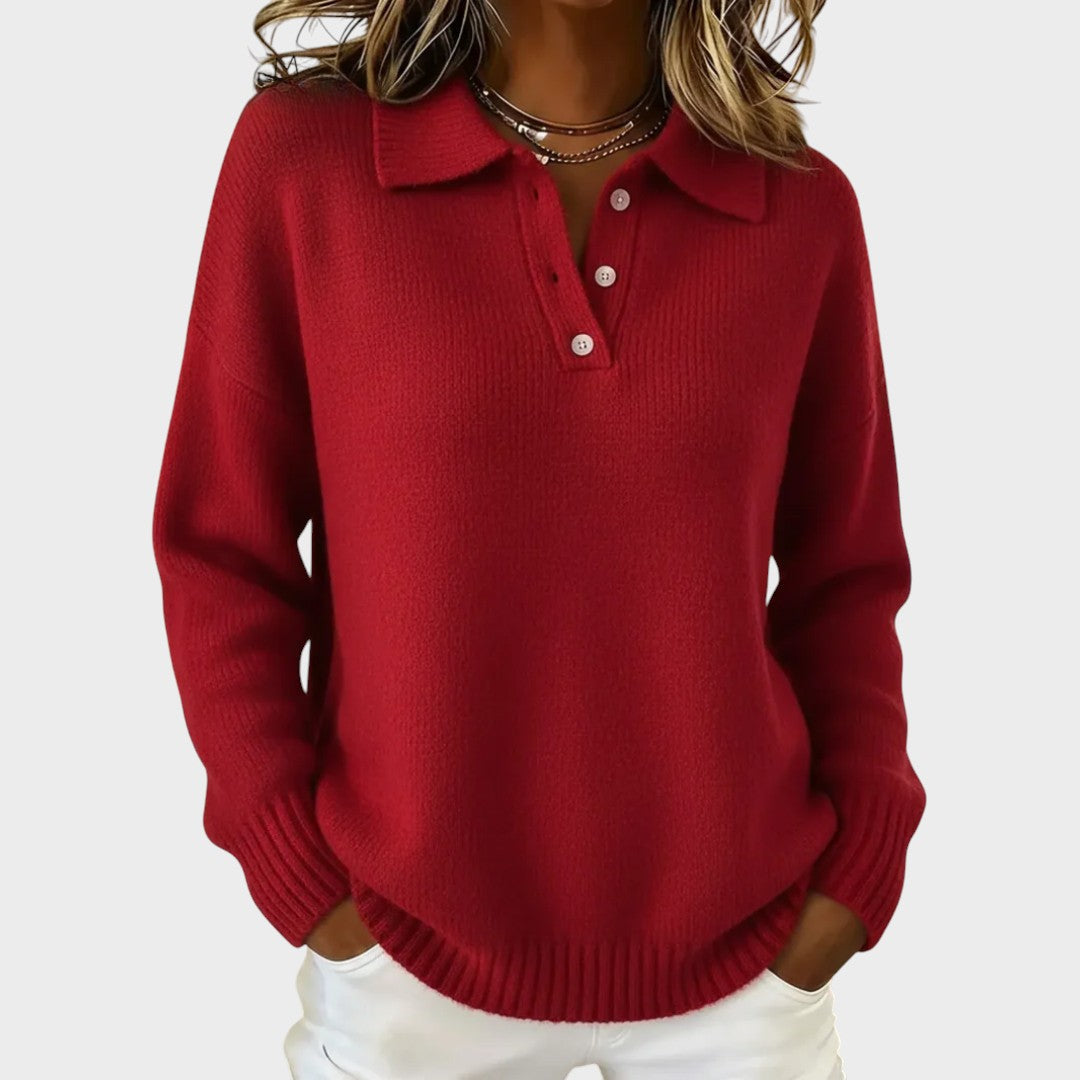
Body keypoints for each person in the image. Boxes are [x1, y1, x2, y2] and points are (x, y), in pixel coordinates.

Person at [151, 0, 926, 1076]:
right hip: (403, 965)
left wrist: (857, 869)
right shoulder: (306, 167)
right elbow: (220, 550)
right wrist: (300, 872)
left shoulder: (797, 207)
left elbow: (847, 579)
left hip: (751, 968)